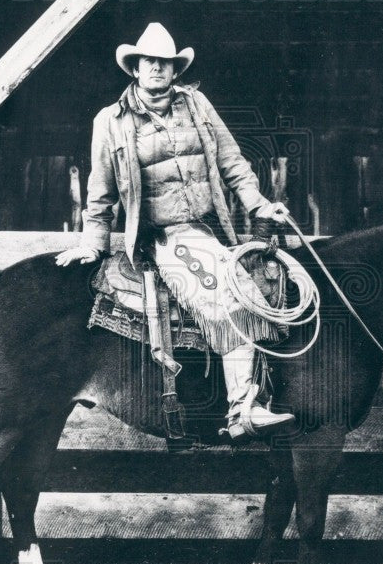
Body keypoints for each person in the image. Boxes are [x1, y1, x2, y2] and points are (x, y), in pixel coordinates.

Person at [56, 22, 294, 435]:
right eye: (149, 61)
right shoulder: (110, 122)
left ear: (175, 69)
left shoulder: (197, 105)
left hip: (208, 230)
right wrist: (92, 244)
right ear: (134, 68)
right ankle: (241, 410)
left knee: (256, 282)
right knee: (230, 291)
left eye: (165, 62)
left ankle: (248, 401)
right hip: (164, 237)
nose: (157, 69)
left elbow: (233, 163)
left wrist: (260, 205)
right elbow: (101, 191)